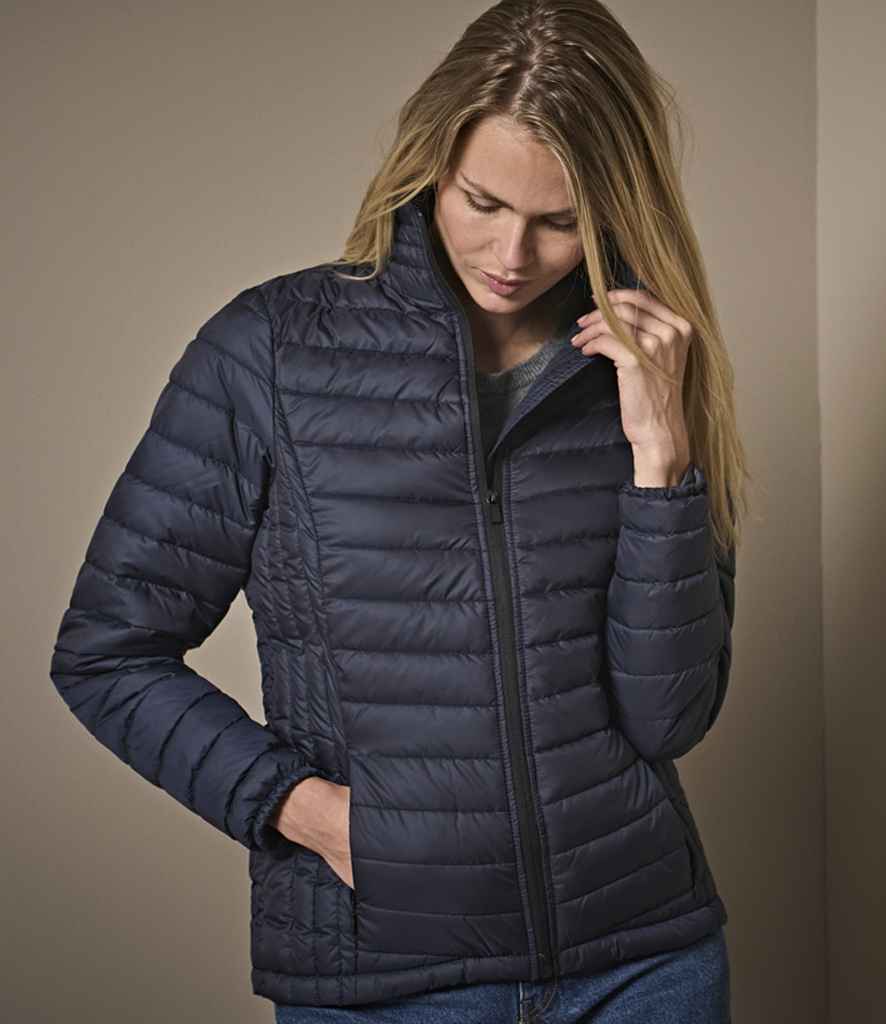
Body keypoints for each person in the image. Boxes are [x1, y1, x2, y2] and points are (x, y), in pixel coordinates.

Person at [49, 1, 749, 1021]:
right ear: (432, 162)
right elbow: (106, 654)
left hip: (646, 965)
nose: (512, 253)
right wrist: (303, 812)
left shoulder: (647, 364)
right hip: (388, 981)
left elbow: (667, 717)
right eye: (482, 202)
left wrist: (661, 458)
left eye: (560, 221)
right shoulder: (272, 350)